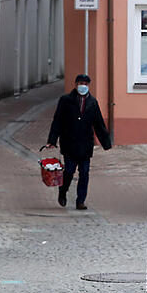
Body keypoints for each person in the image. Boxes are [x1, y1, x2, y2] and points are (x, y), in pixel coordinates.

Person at [45, 74, 111, 210]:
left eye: (86, 84)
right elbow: (57, 121)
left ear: (88, 86)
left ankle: (80, 200)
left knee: (84, 172)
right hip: (69, 143)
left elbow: (99, 124)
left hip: (85, 144)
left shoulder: (92, 102)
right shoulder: (66, 100)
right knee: (69, 171)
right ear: (75, 84)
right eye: (81, 83)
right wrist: (52, 140)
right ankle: (63, 192)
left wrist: (106, 143)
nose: (83, 86)